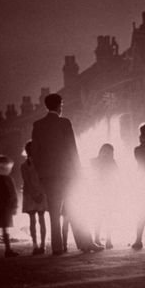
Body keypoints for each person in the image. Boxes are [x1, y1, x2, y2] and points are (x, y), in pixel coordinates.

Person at [31, 93, 102, 255]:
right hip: (67, 175)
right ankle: (85, 243)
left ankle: (57, 248)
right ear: (59, 106)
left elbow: (35, 153)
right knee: (75, 209)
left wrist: (41, 174)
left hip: (48, 177)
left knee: (54, 213)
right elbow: (72, 150)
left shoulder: (37, 125)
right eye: (61, 105)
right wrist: (80, 173)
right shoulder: (64, 122)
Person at [20, 141, 47, 254]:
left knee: (36, 221)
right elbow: (31, 181)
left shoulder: (25, 165)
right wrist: (39, 194)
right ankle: (39, 245)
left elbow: (30, 182)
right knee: (39, 220)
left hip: (34, 194)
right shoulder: (27, 165)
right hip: (35, 194)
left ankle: (39, 245)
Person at [90, 143, 118, 249]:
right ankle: (100, 239)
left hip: (107, 191)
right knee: (101, 216)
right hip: (100, 191)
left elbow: (117, 174)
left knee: (106, 217)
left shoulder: (110, 162)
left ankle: (107, 239)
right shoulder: (94, 161)